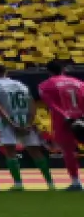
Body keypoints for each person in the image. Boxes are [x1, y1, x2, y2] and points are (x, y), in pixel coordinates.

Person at [0, 64, 52, 191]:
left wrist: (13, 124)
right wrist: (30, 122)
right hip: (25, 119)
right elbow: (32, 103)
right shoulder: (21, 84)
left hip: (8, 121)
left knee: (10, 152)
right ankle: (50, 183)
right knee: (35, 151)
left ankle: (18, 184)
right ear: (6, 72)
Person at [36, 60, 84, 190]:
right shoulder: (79, 83)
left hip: (63, 121)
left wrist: (66, 116)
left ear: (48, 71)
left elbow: (52, 105)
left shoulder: (45, 85)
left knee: (69, 152)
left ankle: (75, 182)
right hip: (80, 117)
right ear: (63, 69)